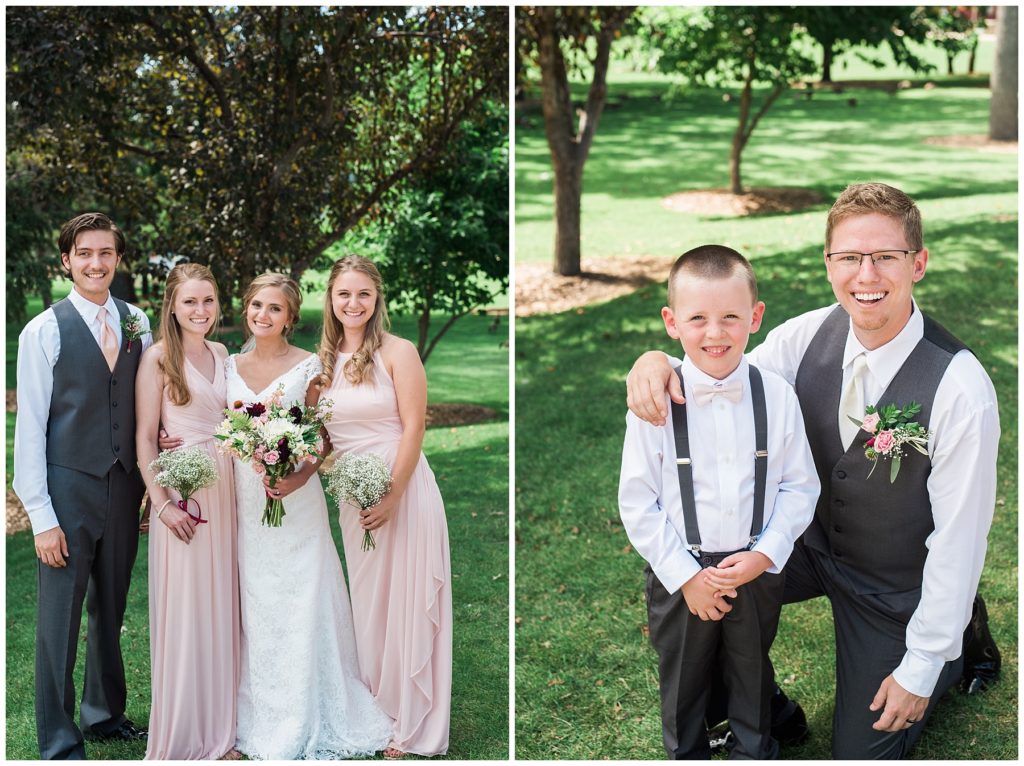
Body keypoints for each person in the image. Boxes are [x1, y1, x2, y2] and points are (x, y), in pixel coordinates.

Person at [626, 183, 1000, 759]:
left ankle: (959, 640)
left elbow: (960, 538)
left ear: (918, 263)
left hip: (892, 581)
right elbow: (721, 373)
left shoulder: (960, 388)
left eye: (886, 257)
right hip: (805, 546)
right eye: (849, 257)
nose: (866, 274)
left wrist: (921, 666)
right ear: (829, 265)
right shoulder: (803, 339)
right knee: (703, 593)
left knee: (860, 750)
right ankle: (765, 709)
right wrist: (657, 361)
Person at [619, 245, 819, 759]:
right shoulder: (653, 401)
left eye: (731, 317)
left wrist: (765, 554)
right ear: (671, 322)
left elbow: (800, 487)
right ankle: (687, 752)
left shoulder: (776, 395)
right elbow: (637, 501)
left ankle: (754, 749)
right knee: (684, 680)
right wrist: (685, 576)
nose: (715, 333)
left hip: (754, 568)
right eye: (698, 319)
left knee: (751, 671)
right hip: (680, 573)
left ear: (755, 317)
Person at [225, 272, 392, 760]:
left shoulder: (310, 369)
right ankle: (261, 714)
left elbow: (322, 438)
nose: (263, 315)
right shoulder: (227, 364)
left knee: (302, 597)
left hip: (297, 501)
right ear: (246, 309)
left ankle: (314, 708)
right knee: (258, 603)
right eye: (257, 305)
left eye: (275, 308)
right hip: (247, 499)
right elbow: (215, 420)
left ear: (291, 317)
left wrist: (297, 476)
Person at [14, 213, 151, 759]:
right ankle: (58, 736)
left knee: (110, 605)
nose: (97, 263)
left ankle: (103, 714)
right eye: (85, 253)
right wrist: (42, 519)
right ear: (66, 260)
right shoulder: (43, 331)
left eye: (107, 253)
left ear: (118, 259)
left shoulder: (137, 321)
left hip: (124, 486)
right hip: (67, 488)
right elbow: (30, 432)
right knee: (60, 616)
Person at [318, 255, 453, 758]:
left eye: (363, 295)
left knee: (408, 603)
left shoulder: (399, 352)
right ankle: (378, 712)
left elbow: (415, 427)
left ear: (377, 300)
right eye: (343, 295)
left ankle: (414, 725)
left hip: (406, 491)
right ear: (331, 300)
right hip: (353, 499)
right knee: (370, 606)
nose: (353, 303)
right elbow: (323, 438)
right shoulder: (323, 362)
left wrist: (394, 494)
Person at [135, 264, 240, 760]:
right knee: (188, 610)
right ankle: (183, 732)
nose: (200, 311)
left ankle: (223, 728)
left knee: (223, 607)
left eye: (208, 301)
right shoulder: (157, 358)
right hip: (185, 495)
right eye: (190, 302)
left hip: (228, 490)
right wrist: (162, 505)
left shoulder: (222, 353)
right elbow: (143, 437)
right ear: (172, 307)